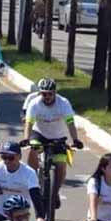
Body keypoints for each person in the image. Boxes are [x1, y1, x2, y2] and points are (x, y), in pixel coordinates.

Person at [22, 77, 84, 211]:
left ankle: (54, 193)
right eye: (44, 93)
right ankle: (32, 179)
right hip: (39, 134)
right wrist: (26, 138)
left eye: (50, 93)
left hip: (58, 137)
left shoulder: (63, 103)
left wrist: (75, 140)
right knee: (33, 149)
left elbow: (70, 123)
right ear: (40, 93)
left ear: (55, 93)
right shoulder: (35, 103)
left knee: (61, 166)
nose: (47, 96)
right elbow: (29, 123)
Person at [0, 142, 43, 221]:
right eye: (4, 157)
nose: (7, 161)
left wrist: (40, 216)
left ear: (19, 157)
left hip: (19, 211)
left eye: (10, 158)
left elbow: (35, 195)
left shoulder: (29, 172)